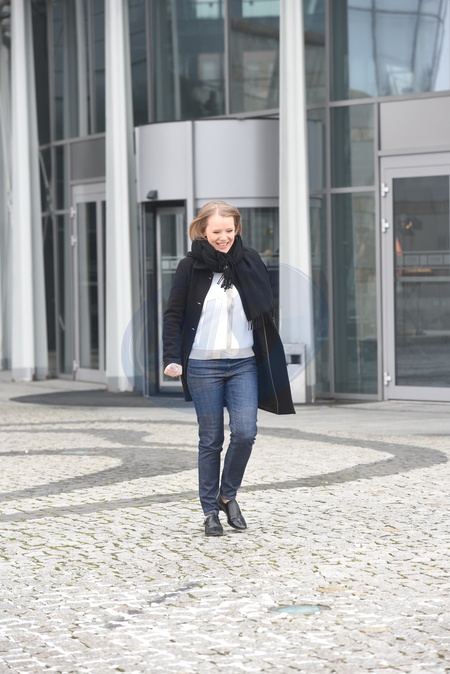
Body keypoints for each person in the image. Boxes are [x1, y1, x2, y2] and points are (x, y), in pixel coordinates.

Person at [163, 200, 295, 537]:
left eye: (229, 231)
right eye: (216, 231)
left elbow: (265, 309)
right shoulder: (189, 267)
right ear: (203, 231)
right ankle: (210, 511)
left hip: (243, 363)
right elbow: (174, 315)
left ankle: (227, 494)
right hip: (202, 365)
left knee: (246, 432)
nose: (223, 237)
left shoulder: (250, 261)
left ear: (237, 229)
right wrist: (171, 357)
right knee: (211, 439)